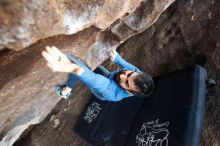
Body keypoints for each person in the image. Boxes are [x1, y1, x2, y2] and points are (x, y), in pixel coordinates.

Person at [42, 46, 154, 101]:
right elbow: (128, 66)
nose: (122, 75)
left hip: (101, 90)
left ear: (128, 91)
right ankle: (71, 82)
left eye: (126, 83)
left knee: (82, 71)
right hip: (109, 77)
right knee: (94, 69)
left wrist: (74, 67)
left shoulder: (114, 94)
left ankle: (66, 91)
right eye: (129, 74)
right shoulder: (137, 74)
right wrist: (116, 58)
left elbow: (96, 80)